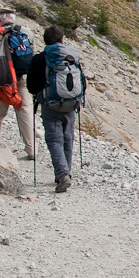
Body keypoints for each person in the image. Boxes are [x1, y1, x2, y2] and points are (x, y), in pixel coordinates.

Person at [27, 25, 81, 193]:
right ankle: (67, 171)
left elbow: (31, 86)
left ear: (45, 41)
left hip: (50, 105)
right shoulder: (72, 56)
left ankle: (62, 174)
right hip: (71, 104)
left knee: (54, 139)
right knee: (68, 137)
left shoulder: (39, 59)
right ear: (61, 39)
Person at [0, 9, 35, 160]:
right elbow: (31, 53)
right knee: (24, 111)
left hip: (2, 79)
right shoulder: (27, 32)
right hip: (21, 78)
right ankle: (31, 149)